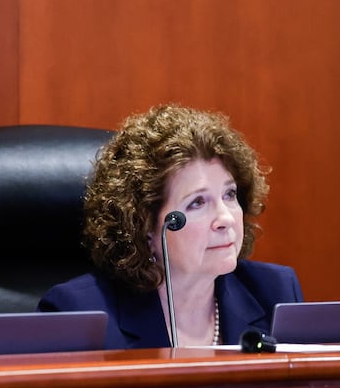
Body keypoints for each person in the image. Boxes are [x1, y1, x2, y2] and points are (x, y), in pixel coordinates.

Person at [39, 104, 302, 348]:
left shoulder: (274, 292)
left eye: (229, 195)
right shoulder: (81, 314)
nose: (225, 218)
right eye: (197, 202)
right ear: (145, 225)